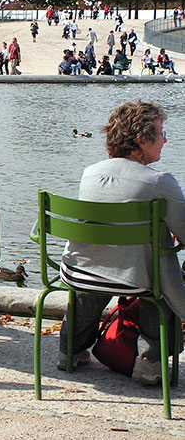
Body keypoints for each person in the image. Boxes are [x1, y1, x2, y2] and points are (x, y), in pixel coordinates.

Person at [58, 100, 185, 384]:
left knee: (102, 264)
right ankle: (150, 362)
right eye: (161, 133)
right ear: (142, 140)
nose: (165, 140)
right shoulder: (160, 181)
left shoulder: (90, 173)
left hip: (80, 272)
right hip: (134, 279)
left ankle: (69, 350)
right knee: (160, 281)